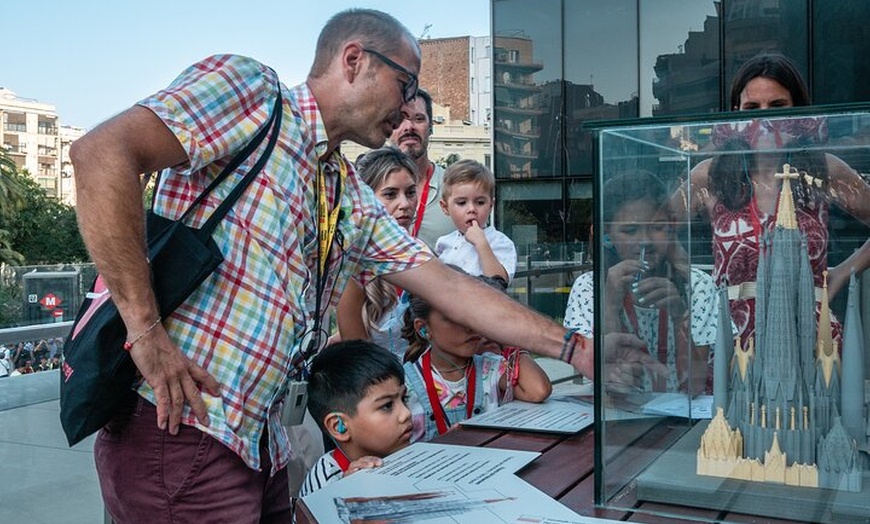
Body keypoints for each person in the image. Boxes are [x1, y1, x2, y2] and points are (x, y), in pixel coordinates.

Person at [70, 7, 640, 522]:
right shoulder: (254, 91)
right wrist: (145, 332)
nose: (408, 105)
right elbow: (101, 152)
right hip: (183, 430)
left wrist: (576, 348)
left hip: (260, 445)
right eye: (405, 82)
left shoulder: (340, 185)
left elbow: (448, 285)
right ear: (353, 60)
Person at [670, 51, 870, 354]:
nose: (765, 117)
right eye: (752, 107)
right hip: (730, 338)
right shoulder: (710, 175)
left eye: (778, 106)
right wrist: (693, 282)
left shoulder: (824, 169)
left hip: (809, 336)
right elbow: (655, 230)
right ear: (735, 111)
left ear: (798, 110)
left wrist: (842, 273)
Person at [566, 171, 721, 394]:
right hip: (619, 418)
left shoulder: (698, 285)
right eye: (630, 230)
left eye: (657, 227)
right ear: (606, 234)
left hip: (682, 421)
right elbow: (601, 372)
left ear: (671, 226)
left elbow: (698, 380)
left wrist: (680, 314)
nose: (645, 241)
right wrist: (609, 305)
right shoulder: (588, 288)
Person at [401, 272, 552, 442]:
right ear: (423, 328)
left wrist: (508, 333)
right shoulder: (405, 382)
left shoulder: (491, 368)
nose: (470, 327)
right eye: (455, 318)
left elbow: (538, 390)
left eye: (474, 317)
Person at [298, 340, 411, 497]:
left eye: (404, 398)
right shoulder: (326, 485)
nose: (406, 413)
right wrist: (348, 496)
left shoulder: (407, 454)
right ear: (339, 426)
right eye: (387, 406)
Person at [336, 146, 418, 359]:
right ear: (366, 200)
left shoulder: (426, 256)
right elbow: (358, 352)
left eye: (410, 192)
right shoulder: (353, 268)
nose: (405, 204)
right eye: (390, 194)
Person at [390, 88, 454, 248]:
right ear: (387, 127)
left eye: (418, 119)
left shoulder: (456, 189)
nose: (409, 127)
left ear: (431, 127)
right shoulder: (368, 192)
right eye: (400, 119)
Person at [434, 159, 517, 284]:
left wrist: (481, 244)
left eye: (480, 202)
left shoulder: (500, 242)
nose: (472, 209)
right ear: (445, 208)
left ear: (491, 205)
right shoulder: (443, 243)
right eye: (462, 203)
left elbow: (499, 283)